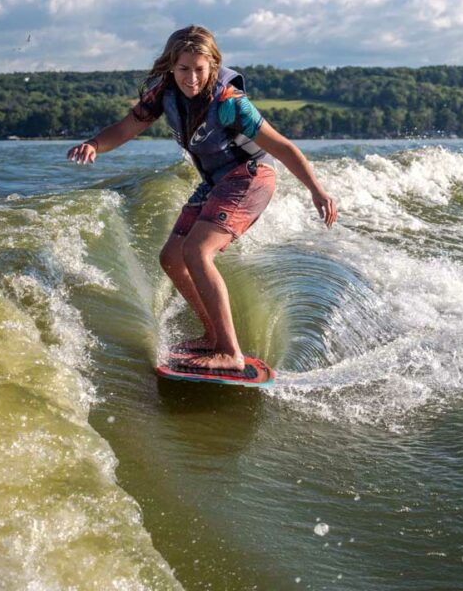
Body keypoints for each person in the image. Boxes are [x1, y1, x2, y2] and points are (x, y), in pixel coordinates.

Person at [67, 25, 337, 372]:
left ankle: (230, 351)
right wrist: (94, 144)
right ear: (170, 67)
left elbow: (283, 147)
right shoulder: (164, 94)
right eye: (183, 69)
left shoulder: (231, 104)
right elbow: (125, 128)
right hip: (216, 181)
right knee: (171, 257)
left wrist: (317, 190)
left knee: (197, 251)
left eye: (199, 69)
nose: (191, 78)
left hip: (250, 177)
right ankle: (212, 336)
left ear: (212, 65)